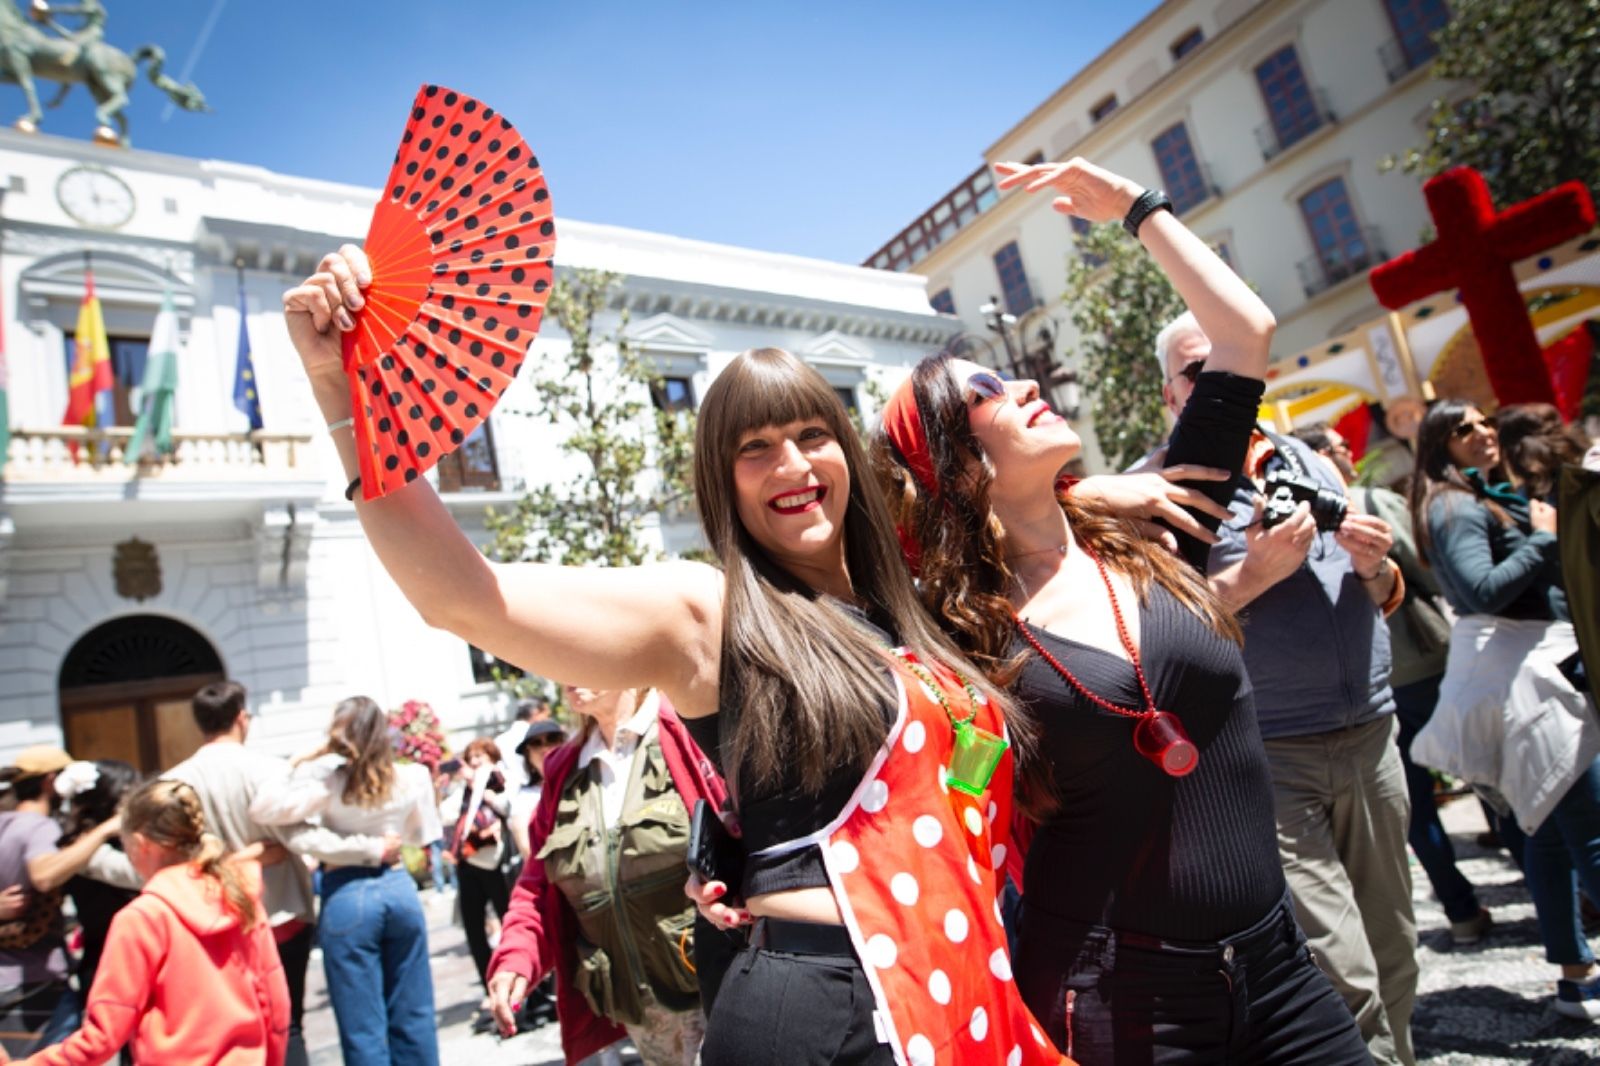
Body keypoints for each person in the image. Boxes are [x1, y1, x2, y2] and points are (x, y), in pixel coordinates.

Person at [284, 246, 1072, 1064]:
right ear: (721, 482)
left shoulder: (903, 611)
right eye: (755, 447)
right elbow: (461, 597)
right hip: (831, 1018)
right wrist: (339, 389)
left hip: (959, 987)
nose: (793, 464)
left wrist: (1094, 496)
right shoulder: (711, 612)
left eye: (812, 434)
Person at [878, 156, 1371, 1065]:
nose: (1025, 386)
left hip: (1278, 969)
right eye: (987, 395)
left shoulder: (1160, 526)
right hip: (1113, 997)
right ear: (958, 465)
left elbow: (1245, 335)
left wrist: (1137, 209)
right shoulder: (956, 630)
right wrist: (1064, 500)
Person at [1135, 309, 1418, 1058]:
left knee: (1395, 942)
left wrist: (1374, 565)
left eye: (1232, 360)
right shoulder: (1157, 491)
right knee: (1343, 970)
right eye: (1198, 369)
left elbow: (1378, 590)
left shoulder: (1309, 462)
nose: (1219, 378)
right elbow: (1150, 629)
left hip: (1371, 735)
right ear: (1170, 394)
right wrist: (1252, 575)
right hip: (1270, 755)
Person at [1407, 400, 1600, 1020]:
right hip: (1529, 682)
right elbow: (1482, 590)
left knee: (1548, 834)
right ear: (1439, 445)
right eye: (1462, 429)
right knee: (1589, 829)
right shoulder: (1455, 505)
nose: (1482, 433)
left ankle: (1575, 980)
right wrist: (1542, 536)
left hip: (1532, 671)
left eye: (1484, 422)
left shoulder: (1473, 495)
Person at [1294, 423, 1492, 945]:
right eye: (1340, 447)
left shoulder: (1288, 521)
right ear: (1321, 456)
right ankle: (1545, 885)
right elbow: (1429, 571)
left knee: (1416, 805)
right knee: (1486, 770)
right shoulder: (1368, 503)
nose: (1349, 454)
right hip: (1423, 667)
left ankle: (1461, 912)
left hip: (1364, 686)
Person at [165, 680, 395, 1066]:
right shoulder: (269, 771)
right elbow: (302, 837)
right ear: (242, 718)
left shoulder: (175, 782)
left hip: (211, 917)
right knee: (288, 1026)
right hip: (280, 912)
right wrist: (372, 848)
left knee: (229, 1028)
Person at [486, 686, 705, 1066]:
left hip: (714, 990)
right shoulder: (564, 768)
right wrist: (516, 957)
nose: (568, 670)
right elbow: (538, 886)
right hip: (639, 1010)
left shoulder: (686, 729)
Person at [22, 778, 290, 1066]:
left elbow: (103, 1036)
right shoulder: (239, 898)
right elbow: (275, 1002)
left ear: (141, 844)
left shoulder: (141, 918)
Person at [248, 697, 443, 1066]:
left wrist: (301, 758)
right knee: (414, 1013)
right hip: (398, 886)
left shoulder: (330, 783)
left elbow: (263, 807)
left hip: (347, 892)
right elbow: (421, 834)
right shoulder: (411, 777)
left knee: (362, 1026)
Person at [0, 747, 120, 1058]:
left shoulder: (5, 825)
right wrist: (103, 832)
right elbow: (44, 876)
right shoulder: (40, 827)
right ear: (50, 781)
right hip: (38, 983)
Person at [451, 737, 511, 1004]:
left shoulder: (499, 779)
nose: (474, 762)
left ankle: (526, 985)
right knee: (474, 928)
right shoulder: (463, 790)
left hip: (496, 862)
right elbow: (447, 814)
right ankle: (491, 987)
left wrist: (480, 788)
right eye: (471, 757)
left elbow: (507, 806)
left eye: (480, 756)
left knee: (509, 921)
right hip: (469, 861)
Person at [494, 698, 549, 794]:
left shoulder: (499, 740)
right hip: (539, 792)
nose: (547, 720)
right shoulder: (538, 737)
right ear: (535, 713)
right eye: (546, 715)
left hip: (508, 795)